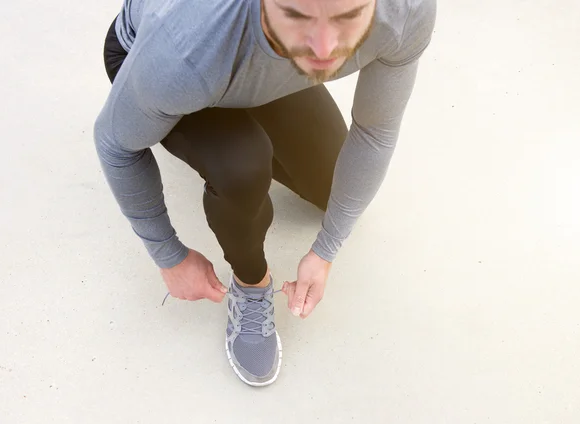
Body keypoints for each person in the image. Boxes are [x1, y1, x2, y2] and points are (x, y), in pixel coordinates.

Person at [95, 0, 436, 386]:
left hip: (259, 56)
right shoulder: (185, 44)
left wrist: (327, 249)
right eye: (297, 14)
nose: (325, 51)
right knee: (243, 167)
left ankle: (256, 64)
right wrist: (168, 255)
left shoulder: (405, 9)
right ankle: (252, 283)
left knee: (331, 186)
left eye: (347, 16)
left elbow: (375, 132)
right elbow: (116, 145)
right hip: (155, 56)